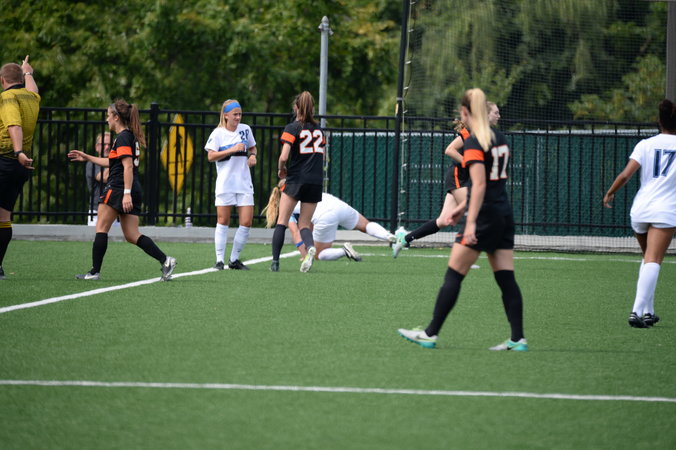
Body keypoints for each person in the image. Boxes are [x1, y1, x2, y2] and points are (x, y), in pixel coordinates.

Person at [397, 88, 526, 351]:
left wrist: (470, 221)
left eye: (461, 110)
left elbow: (479, 185)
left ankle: (430, 334)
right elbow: (492, 183)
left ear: (466, 112)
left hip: (484, 217)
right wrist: (462, 207)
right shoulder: (500, 138)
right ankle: (517, 339)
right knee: (506, 279)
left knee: (453, 275)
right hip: (503, 215)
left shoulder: (475, 141)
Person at [68, 99, 176, 281]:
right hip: (131, 187)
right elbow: (112, 162)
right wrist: (87, 157)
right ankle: (166, 260)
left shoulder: (123, 137)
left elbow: (127, 166)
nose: (107, 120)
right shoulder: (127, 137)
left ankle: (94, 272)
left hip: (119, 188)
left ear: (116, 117)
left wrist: (126, 194)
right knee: (132, 235)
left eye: (108, 116)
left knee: (101, 228)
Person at [603, 99, 676, 328]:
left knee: (648, 260)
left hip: (640, 209)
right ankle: (636, 311)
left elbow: (625, 175)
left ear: (659, 121)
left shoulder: (645, 144)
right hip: (665, 210)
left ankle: (648, 312)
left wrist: (610, 192)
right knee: (654, 260)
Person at [393, 102, 500, 257]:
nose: (499, 116)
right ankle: (465, 256)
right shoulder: (471, 132)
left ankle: (404, 239)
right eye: (496, 113)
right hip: (457, 176)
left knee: (443, 220)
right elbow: (450, 150)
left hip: (463, 178)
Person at [263, 179, 396, 263]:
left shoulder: (288, 206)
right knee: (365, 225)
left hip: (325, 215)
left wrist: (305, 255)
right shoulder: (308, 191)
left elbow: (296, 233)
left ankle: (344, 251)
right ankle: (388, 235)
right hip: (337, 205)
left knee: (318, 254)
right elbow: (309, 226)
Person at [270, 91, 325, 273]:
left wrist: (281, 169)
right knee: (304, 224)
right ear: (312, 108)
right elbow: (322, 156)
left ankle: (275, 263)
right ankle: (310, 247)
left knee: (282, 221)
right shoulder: (319, 130)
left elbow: (284, 156)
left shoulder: (292, 128)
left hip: (296, 180)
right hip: (315, 181)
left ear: (296, 107)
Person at [205, 99, 257, 270]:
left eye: (240, 114)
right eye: (235, 114)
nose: (238, 117)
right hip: (226, 183)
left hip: (244, 182)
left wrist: (252, 156)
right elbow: (211, 156)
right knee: (223, 220)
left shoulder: (245, 129)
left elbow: (252, 148)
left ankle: (234, 259)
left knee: (246, 221)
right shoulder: (218, 133)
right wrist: (232, 149)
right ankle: (219, 260)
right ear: (226, 115)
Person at [0, 56, 40, 281]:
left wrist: (18, 152)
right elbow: (33, 89)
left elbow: (14, 125)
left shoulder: (7, 97)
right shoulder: (31, 97)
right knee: (3, 217)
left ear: (2, 80)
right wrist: (28, 72)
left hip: (6, 160)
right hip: (19, 168)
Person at [85, 132, 112, 226]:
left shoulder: (120, 163)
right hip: (96, 211)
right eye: (104, 144)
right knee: (96, 235)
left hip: (116, 211)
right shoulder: (92, 164)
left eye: (110, 144)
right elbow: (104, 178)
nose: (107, 147)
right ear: (97, 147)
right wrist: (114, 159)